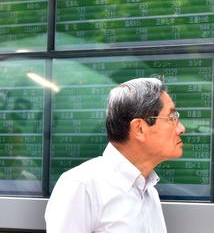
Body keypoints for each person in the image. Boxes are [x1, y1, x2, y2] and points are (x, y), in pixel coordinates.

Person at [45, 78, 185, 233]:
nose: (181, 129)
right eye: (171, 118)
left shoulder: (149, 192)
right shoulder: (81, 185)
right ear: (139, 128)